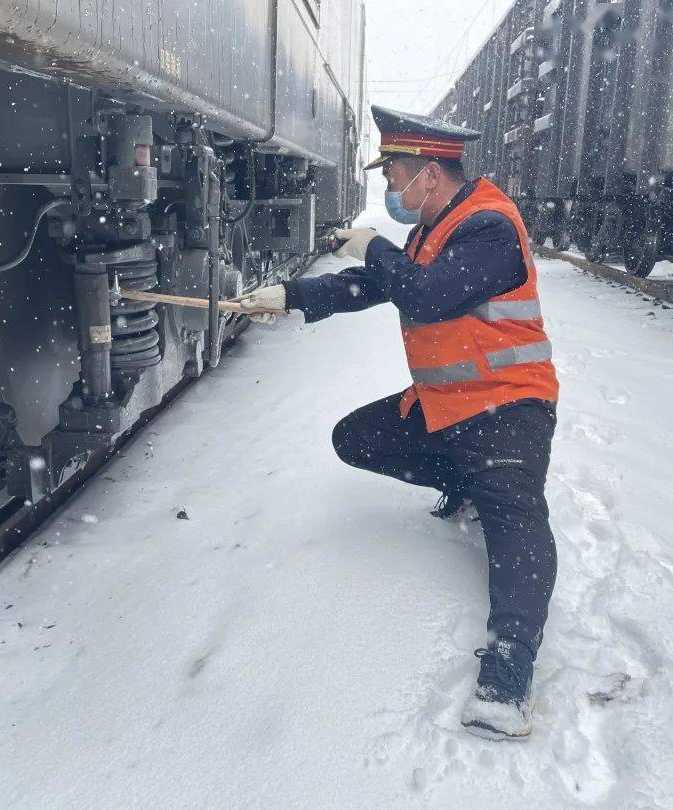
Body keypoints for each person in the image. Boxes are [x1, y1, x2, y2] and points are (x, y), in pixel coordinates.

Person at [236, 105, 559, 740]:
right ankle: (466, 483)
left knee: (514, 517)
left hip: (509, 407)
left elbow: (426, 293)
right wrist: (293, 298)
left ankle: (508, 673)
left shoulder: (489, 226)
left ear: (429, 177)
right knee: (356, 437)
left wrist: (375, 245)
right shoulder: (433, 228)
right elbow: (374, 285)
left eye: (396, 177)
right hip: (446, 408)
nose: (391, 191)